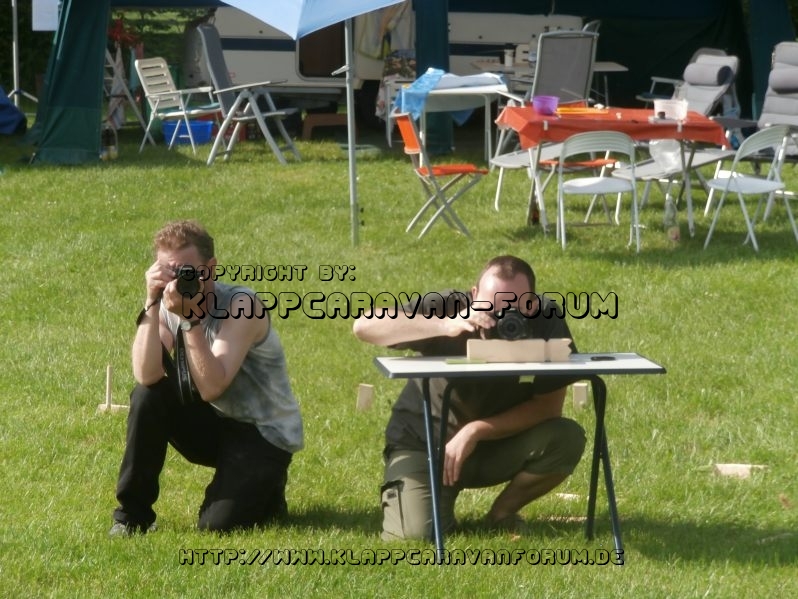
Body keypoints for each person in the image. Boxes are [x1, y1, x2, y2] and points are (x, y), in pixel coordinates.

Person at [352, 255, 586, 540]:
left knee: (565, 438)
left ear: (532, 305)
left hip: (497, 443)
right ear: (474, 295)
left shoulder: (546, 320)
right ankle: (435, 507)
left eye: (514, 308)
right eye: (490, 307)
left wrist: (475, 431)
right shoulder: (451, 307)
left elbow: (547, 409)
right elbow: (364, 326)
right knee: (415, 537)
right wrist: (444, 325)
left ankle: (502, 513)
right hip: (425, 444)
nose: (500, 317)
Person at [110, 220, 303, 536]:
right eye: (168, 272)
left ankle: (268, 486)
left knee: (216, 526)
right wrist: (151, 302)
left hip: (262, 433)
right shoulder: (169, 300)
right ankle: (131, 517)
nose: (176, 282)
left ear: (210, 268)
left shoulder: (242, 305)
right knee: (147, 394)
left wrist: (189, 320)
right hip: (213, 422)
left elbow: (213, 386)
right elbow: (146, 373)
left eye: (186, 272)